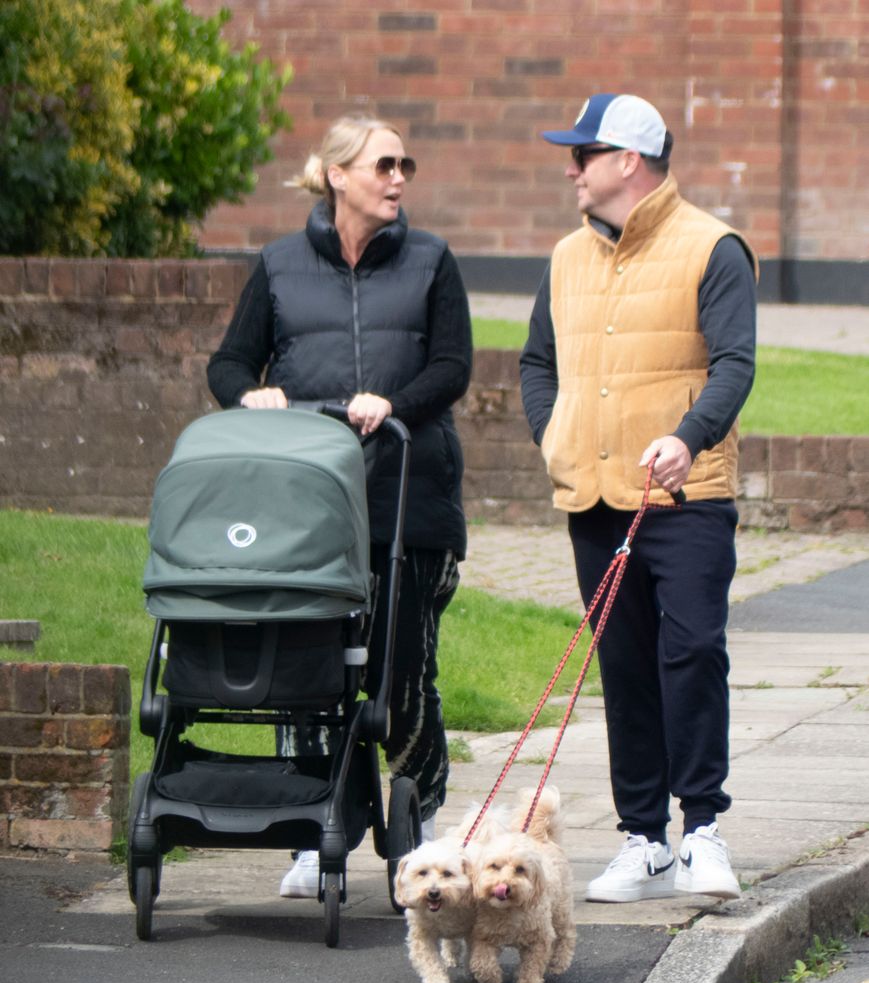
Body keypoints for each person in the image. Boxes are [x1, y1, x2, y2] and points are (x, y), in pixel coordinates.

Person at [207, 114, 472, 898]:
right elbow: (227, 363)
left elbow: (454, 366)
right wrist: (251, 396)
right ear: (337, 175)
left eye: (405, 165)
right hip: (307, 513)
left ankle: (416, 830)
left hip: (408, 505)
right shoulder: (281, 265)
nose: (399, 178)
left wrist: (392, 401)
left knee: (402, 675)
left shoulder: (430, 260)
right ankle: (309, 829)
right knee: (306, 672)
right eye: (384, 164)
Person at [519, 93, 758, 903]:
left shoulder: (712, 248)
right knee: (621, 667)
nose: (569, 169)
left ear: (627, 161)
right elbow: (536, 364)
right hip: (593, 497)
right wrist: (557, 434)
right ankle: (642, 839)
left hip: (685, 499)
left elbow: (733, 364)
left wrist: (687, 437)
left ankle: (703, 833)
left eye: (581, 155)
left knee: (690, 654)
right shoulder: (563, 258)